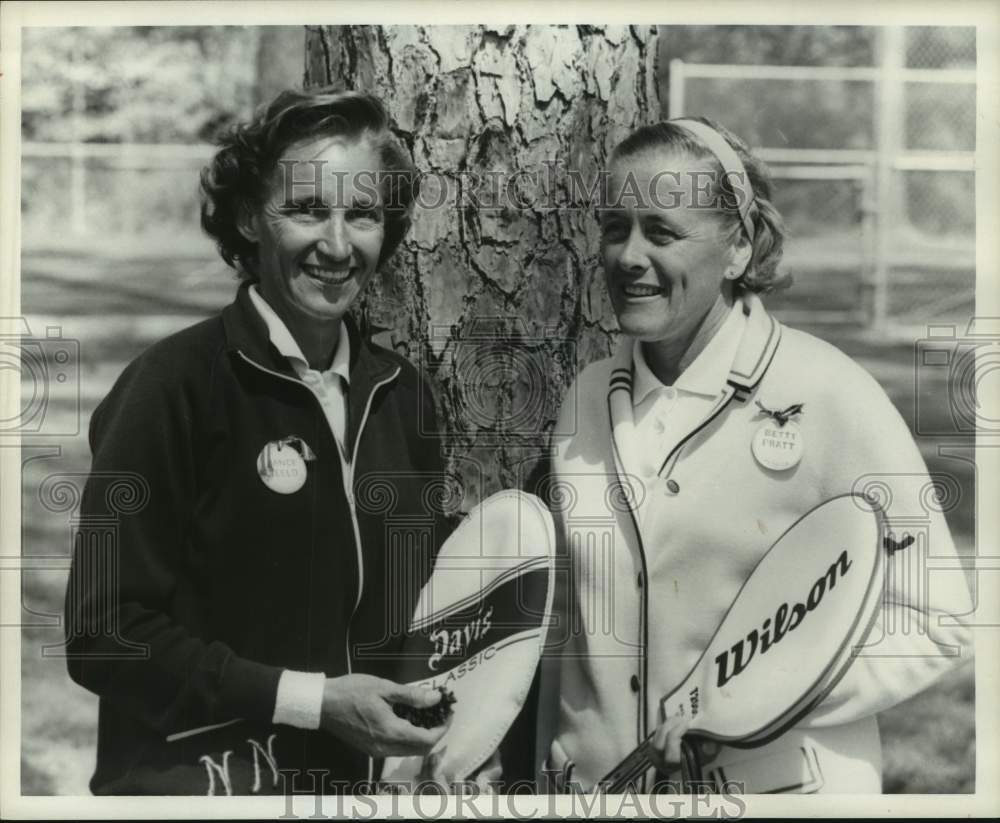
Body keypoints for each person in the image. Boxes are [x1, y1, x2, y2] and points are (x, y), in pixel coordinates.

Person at [533, 117, 974, 794]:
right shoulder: (585, 401)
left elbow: (936, 618)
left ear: (737, 248)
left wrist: (754, 704)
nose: (627, 255)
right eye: (615, 227)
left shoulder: (828, 392)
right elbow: (568, 639)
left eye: (662, 231)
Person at [64, 89, 452, 795]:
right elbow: (104, 632)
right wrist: (311, 701)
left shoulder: (404, 396)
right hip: (198, 787)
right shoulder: (174, 384)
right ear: (248, 216)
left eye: (362, 214)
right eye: (307, 209)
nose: (337, 245)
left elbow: (413, 617)